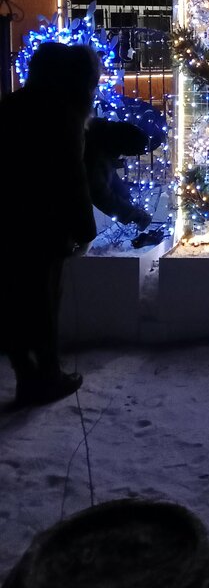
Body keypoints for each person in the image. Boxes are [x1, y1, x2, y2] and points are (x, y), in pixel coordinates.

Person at [0, 42, 100, 406]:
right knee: (43, 304)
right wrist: (85, 229)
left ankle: (27, 374)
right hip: (43, 226)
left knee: (11, 300)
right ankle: (47, 376)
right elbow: (71, 177)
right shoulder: (65, 115)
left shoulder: (11, 106)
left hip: (8, 222)